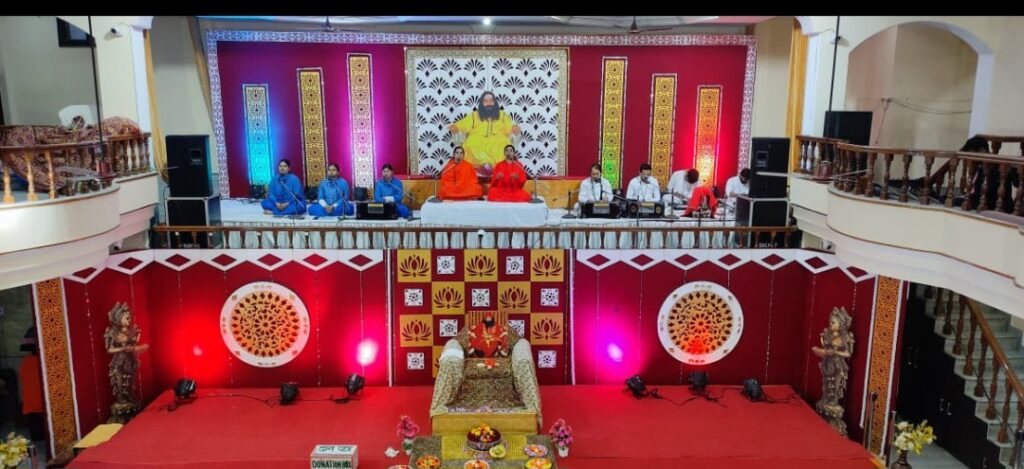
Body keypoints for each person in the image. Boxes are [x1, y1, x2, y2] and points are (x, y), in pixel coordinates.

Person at [448, 91, 522, 174]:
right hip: (478, 141)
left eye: (491, 100)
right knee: (471, 144)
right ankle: (481, 168)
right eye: (485, 101)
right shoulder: (474, 116)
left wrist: (514, 128)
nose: (488, 103)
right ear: (481, 103)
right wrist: (456, 127)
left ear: (495, 102)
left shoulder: (503, 116)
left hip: (498, 142)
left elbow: (510, 127)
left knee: (503, 146)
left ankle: (495, 168)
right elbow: (463, 125)